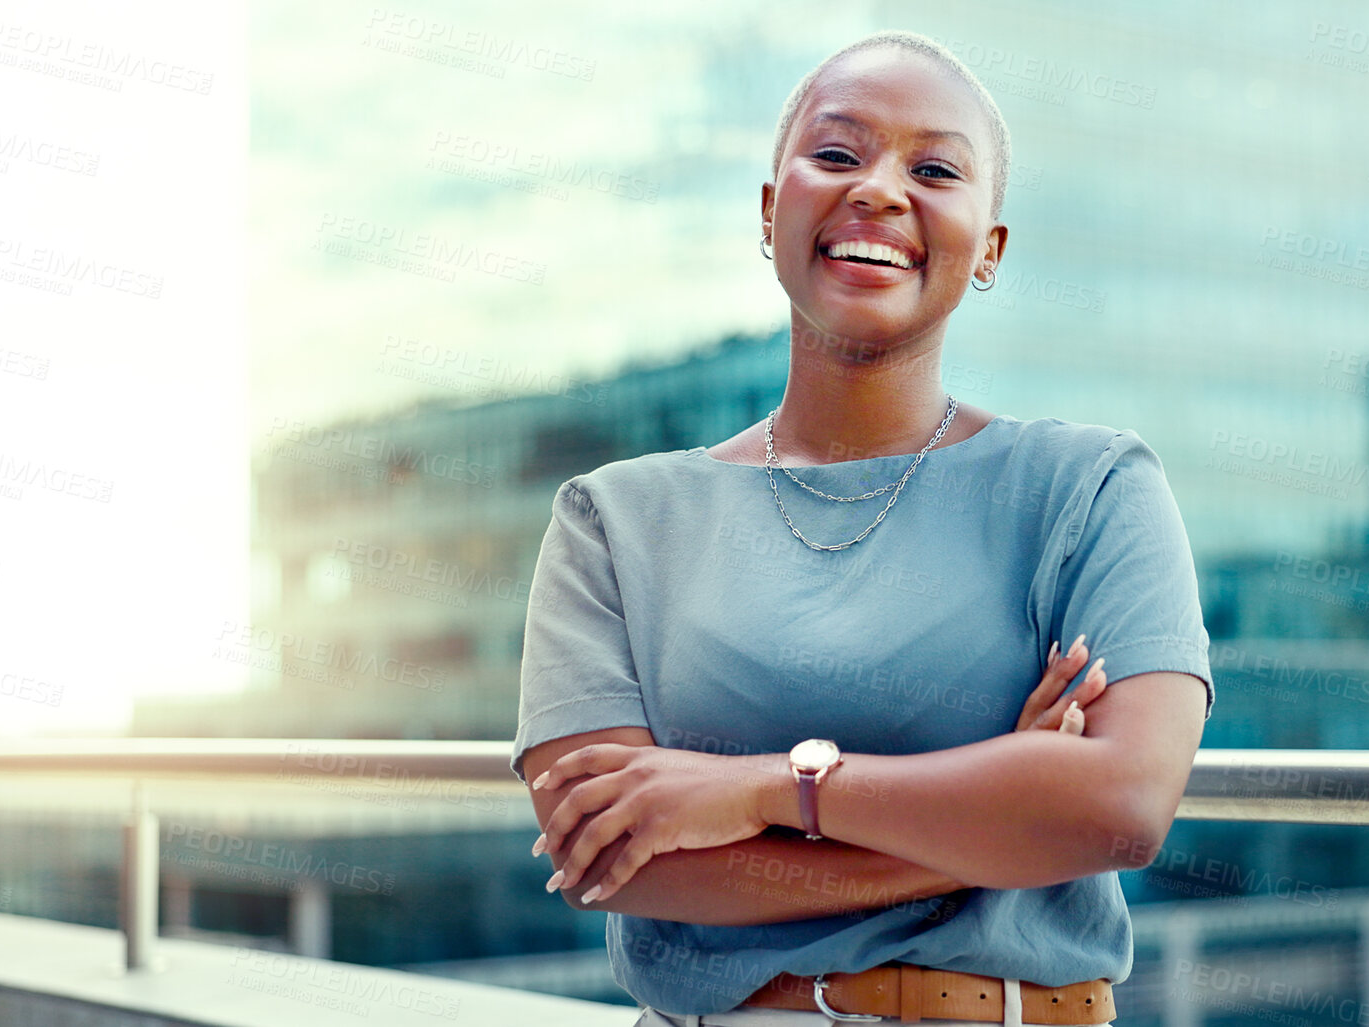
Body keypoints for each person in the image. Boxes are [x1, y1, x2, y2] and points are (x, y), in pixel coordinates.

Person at [512, 29, 1214, 1027]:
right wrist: (998, 816)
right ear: (769, 211)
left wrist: (763, 790)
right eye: (837, 154)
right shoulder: (612, 521)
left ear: (990, 250)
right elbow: (608, 859)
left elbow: (1119, 808)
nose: (881, 190)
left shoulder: (1091, 488)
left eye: (934, 169)